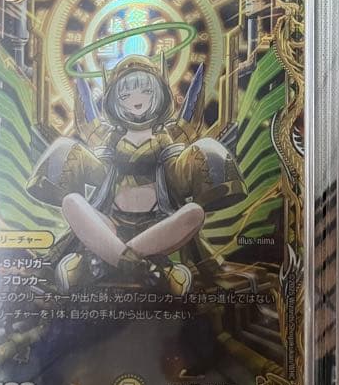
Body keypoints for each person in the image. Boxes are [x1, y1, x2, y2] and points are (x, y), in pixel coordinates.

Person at [27, 54, 246, 295]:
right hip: (110, 225)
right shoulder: (110, 140)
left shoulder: (165, 140)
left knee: (194, 212)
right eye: (126, 95)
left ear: (159, 95)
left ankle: (108, 261)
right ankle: (149, 268)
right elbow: (97, 174)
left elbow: (178, 178)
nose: (136, 100)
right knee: (72, 202)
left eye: (145, 91)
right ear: (114, 101)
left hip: (157, 225)